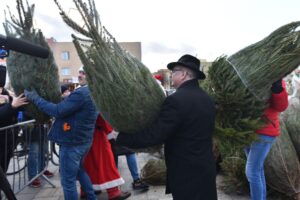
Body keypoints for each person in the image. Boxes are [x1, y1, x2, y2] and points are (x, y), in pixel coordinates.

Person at [114, 54, 218, 200]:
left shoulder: (176, 100)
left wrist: (122, 137)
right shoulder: (207, 98)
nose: (171, 75)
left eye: (174, 72)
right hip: (205, 168)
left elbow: (155, 134)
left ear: (183, 74)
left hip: (186, 173)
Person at [24, 67, 98, 200]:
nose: (80, 75)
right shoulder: (94, 92)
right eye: (80, 72)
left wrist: (35, 97)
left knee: (67, 182)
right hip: (83, 141)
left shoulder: (82, 93)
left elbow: (57, 111)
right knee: (80, 171)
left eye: (84, 73)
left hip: (72, 143)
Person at [244, 79, 288, 200]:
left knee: (252, 171)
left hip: (265, 130)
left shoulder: (274, 75)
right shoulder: (246, 73)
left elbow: (281, 106)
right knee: (257, 170)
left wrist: (278, 89)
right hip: (247, 129)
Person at [82, 114, 131, 200]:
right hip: (98, 136)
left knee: (89, 164)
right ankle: (114, 192)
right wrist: (110, 131)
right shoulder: (92, 100)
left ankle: (87, 189)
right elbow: (101, 116)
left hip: (84, 136)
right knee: (107, 163)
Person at [0, 87, 28, 172]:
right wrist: (11, 106)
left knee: (4, 167)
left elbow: (20, 112)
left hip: (7, 140)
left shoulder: (7, 98)